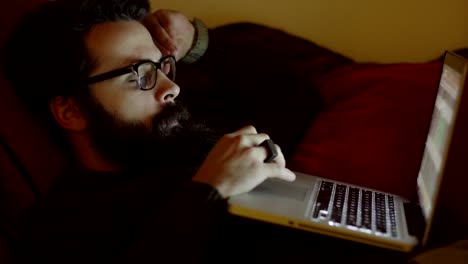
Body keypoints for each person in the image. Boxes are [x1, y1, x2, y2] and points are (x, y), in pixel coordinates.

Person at [2, 0, 296, 263]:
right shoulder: (60, 230)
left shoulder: (186, 133)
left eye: (162, 66)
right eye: (140, 74)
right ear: (71, 112)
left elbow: (295, 100)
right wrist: (209, 192)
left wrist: (196, 41)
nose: (172, 87)